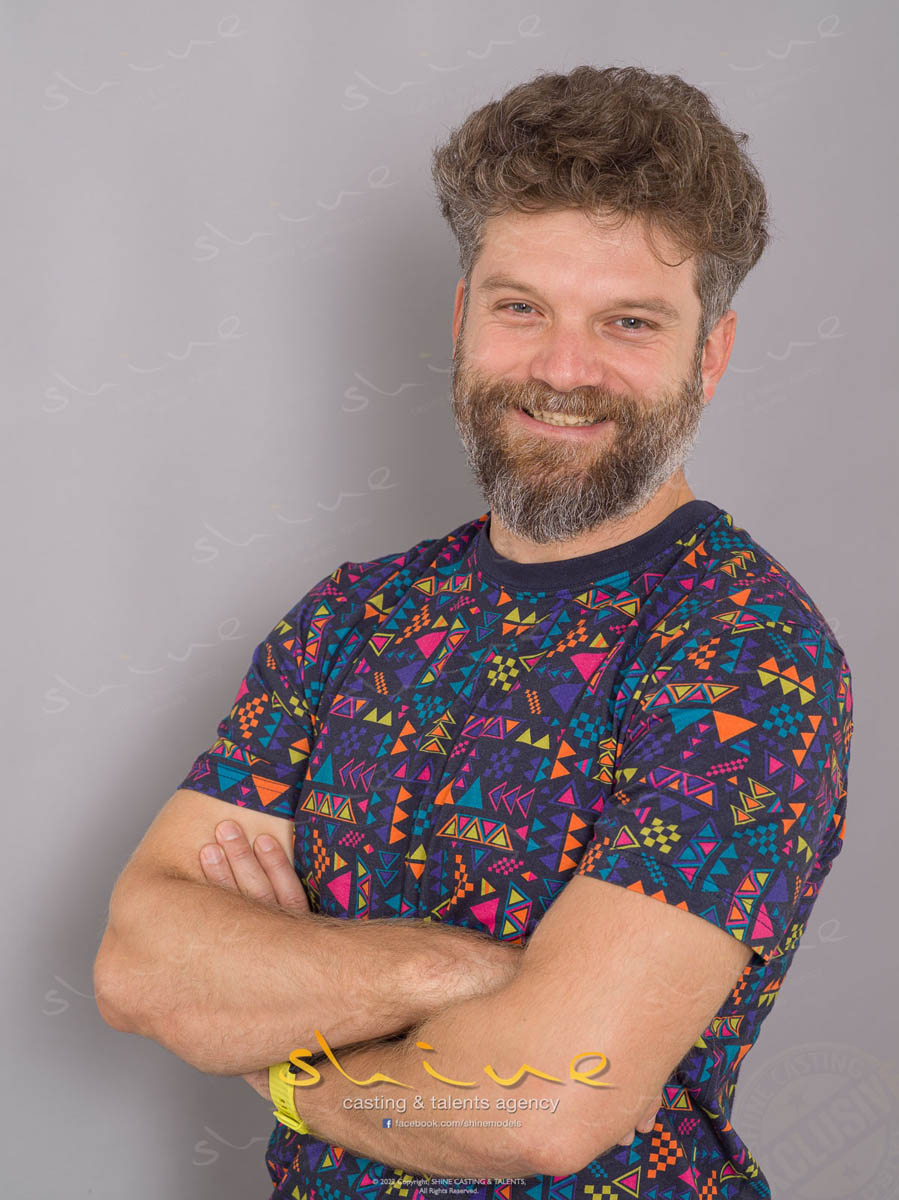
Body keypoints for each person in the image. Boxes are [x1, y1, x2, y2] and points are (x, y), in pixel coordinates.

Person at [94, 64, 854, 1199]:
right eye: (519, 308)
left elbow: (540, 1111)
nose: (561, 370)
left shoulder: (742, 652)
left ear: (710, 354)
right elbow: (139, 965)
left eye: (627, 323)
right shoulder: (353, 615)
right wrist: (460, 971)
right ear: (462, 319)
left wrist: (290, 1071)